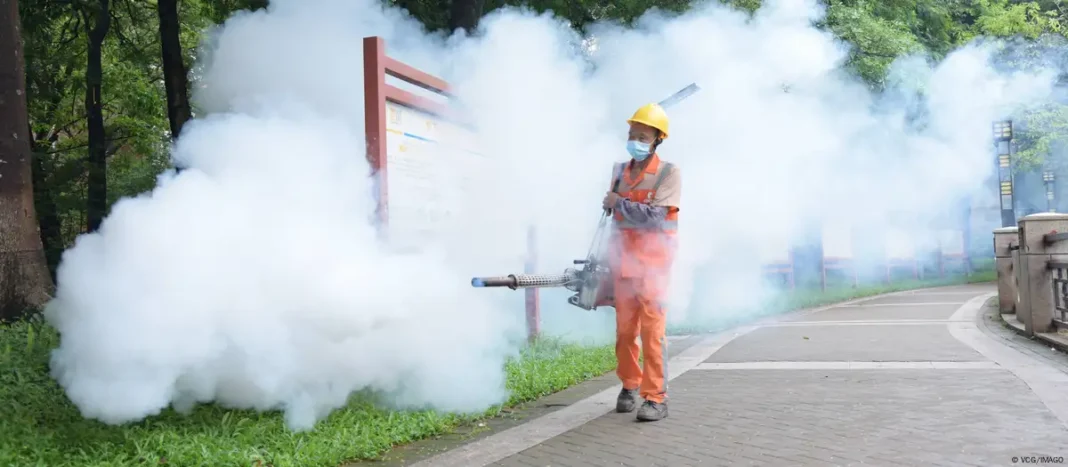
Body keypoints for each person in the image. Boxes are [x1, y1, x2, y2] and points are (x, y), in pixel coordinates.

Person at [600, 103, 681, 422]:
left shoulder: (668, 173)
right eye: (632, 135)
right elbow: (613, 217)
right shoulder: (619, 171)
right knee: (624, 333)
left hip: (654, 267)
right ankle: (629, 386)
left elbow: (655, 218)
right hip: (623, 264)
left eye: (642, 137)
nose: (635, 141)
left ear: (658, 139)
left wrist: (618, 202)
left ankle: (656, 398)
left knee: (652, 333)